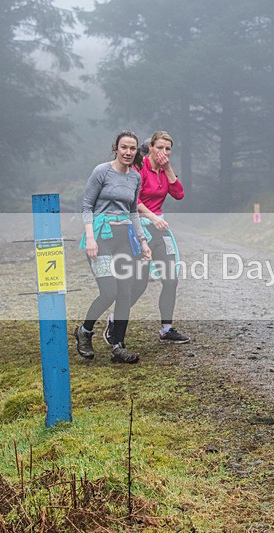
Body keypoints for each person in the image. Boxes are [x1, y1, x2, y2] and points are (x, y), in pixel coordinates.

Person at [103, 131, 190, 345]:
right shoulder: (137, 169)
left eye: (168, 149)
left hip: (159, 227)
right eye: (159, 148)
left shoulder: (164, 171)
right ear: (149, 147)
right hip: (138, 228)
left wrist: (169, 169)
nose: (163, 152)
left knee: (171, 278)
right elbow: (133, 200)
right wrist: (150, 215)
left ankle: (166, 328)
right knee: (139, 284)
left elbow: (179, 194)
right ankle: (114, 321)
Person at [74, 131, 151, 364]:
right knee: (109, 292)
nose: (128, 152)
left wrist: (143, 241)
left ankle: (118, 346)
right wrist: (90, 238)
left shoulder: (135, 178)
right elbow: (87, 205)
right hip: (101, 236)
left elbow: (132, 212)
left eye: (133, 148)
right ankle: (85, 331)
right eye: (124, 147)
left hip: (124, 238)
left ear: (137, 151)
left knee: (125, 294)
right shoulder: (102, 171)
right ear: (116, 148)